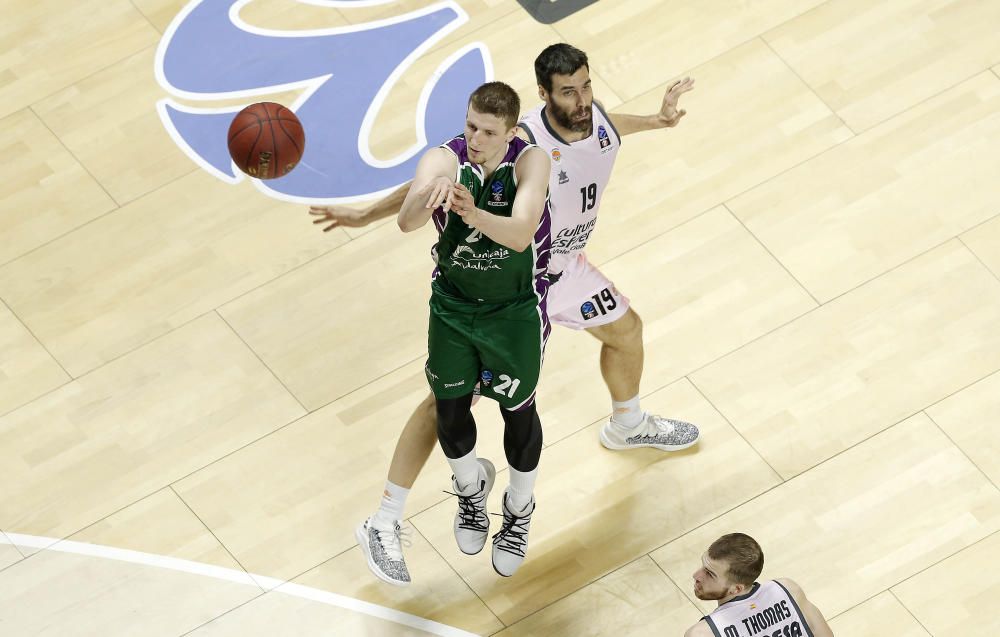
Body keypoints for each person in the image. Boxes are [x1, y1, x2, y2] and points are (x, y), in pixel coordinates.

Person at [316, 44, 699, 585]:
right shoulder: (517, 142)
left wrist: (659, 121)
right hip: (523, 285)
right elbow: (429, 181)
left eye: (586, 86)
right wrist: (368, 214)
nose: (583, 99)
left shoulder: (594, 119)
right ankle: (390, 518)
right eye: (569, 91)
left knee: (627, 331)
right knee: (450, 405)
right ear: (543, 96)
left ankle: (628, 423)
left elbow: (612, 127)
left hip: (569, 268)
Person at [357, 80, 552, 581]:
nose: (477, 138)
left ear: (511, 132)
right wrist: (428, 196)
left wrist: (470, 210)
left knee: (518, 412)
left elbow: (520, 233)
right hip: (453, 307)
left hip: (511, 310)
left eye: (489, 131)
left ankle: (519, 509)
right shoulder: (447, 159)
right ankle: (470, 492)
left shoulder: (531, 162)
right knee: (449, 407)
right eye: (471, 126)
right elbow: (406, 223)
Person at [686, 533, 834, 637]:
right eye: (703, 566)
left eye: (710, 574)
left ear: (737, 588)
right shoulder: (788, 589)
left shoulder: (702, 633)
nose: (696, 576)